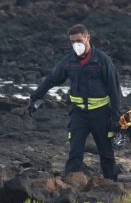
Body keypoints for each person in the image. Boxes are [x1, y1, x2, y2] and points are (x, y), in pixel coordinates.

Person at [27, 24, 121, 181]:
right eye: (72, 41)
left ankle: (111, 184)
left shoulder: (102, 61)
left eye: (79, 40)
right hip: (79, 115)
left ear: (87, 38)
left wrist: (117, 118)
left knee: (106, 153)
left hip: (101, 114)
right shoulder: (69, 62)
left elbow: (115, 89)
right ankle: (71, 186)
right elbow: (52, 79)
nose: (76, 44)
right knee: (75, 152)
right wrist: (35, 97)